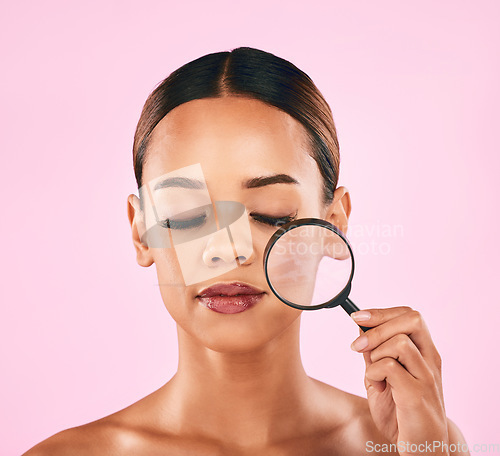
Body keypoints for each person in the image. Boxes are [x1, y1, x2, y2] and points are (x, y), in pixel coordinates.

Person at [24, 46, 469, 456]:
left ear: (331, 226)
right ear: (142, 234)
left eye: (271, 215)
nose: (226, 249)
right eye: (185, 215)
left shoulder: (419, 442)